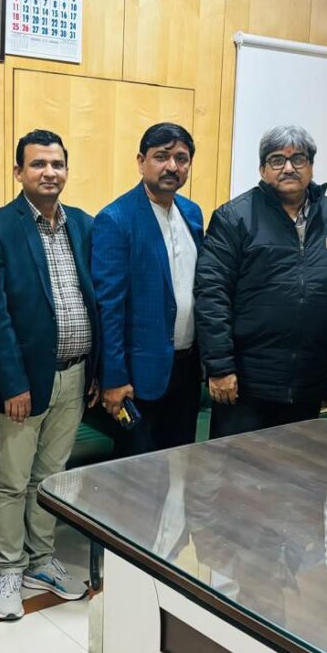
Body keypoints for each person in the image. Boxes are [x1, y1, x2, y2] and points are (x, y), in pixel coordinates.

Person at [0, 130, 99, 621]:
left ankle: (41, 561)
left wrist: (97, 370)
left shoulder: (82, 224)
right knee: (12, 481)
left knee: (51, 478)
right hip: (21, 384)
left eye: (57, 164)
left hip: (75, 374)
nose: (49, 172)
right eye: (38, 164)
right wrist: (12, 384)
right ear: (18, 172)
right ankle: (9, 569)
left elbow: (95, 300)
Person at [195, 125, 327, 437]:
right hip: (245, 381)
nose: (289, 168)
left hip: (308, 379)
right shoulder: (234, 217)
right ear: (262, 169)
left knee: (297, 464)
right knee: (236, 466)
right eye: (277, 159)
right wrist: (220, 367)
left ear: (311, 166)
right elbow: (212, 294)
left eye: (299, 159)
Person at [92, 122, 204, 454]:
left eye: (181, 158)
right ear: (141, 162)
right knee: (136, 474)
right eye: (161, 156)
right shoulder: (116, 218)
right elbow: (109, 308)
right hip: (138, 378)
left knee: (180, 462)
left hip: (186, 370)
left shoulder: (192, 214)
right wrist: (114, 378)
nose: (172, 166)